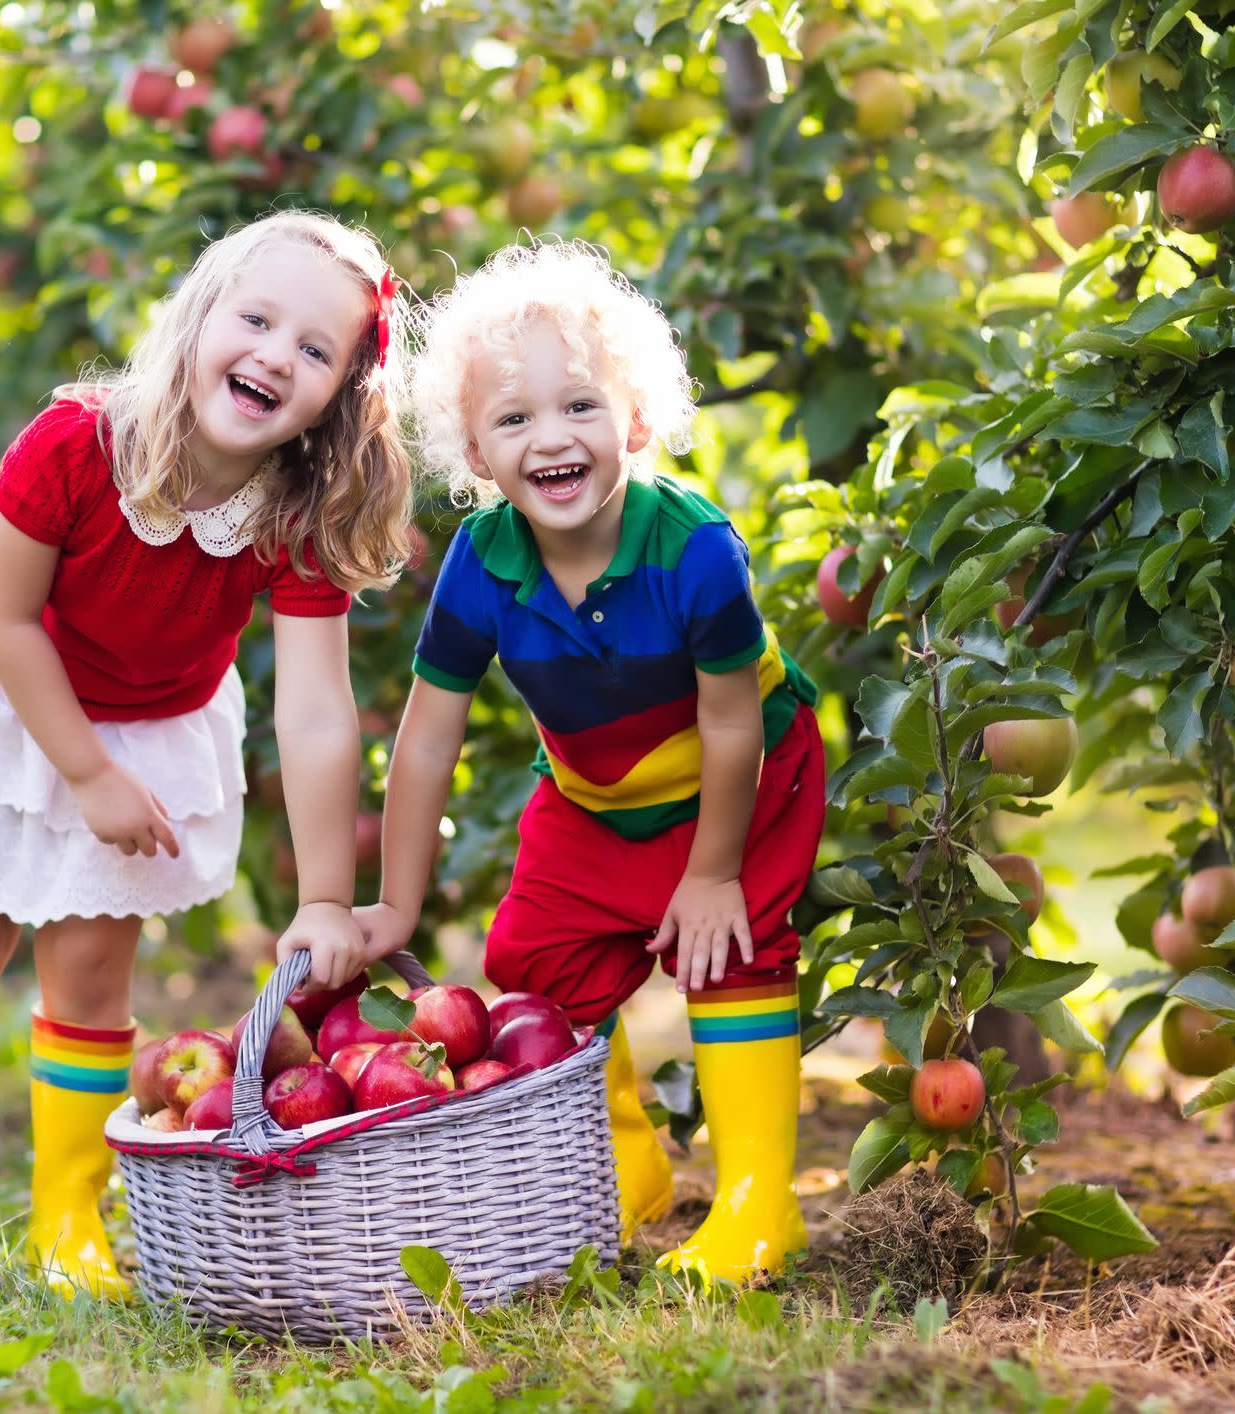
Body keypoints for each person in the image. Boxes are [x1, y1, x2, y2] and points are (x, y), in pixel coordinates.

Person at [0, 211, 412, 1298]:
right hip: (12, 700)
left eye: (315, 350)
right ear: (202, 314)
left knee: (91, 969)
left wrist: (323, 898)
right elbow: (11, 621)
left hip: (155, 722)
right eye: (256, 319)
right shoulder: (76, 444)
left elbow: (314, 711)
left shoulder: (295, 512)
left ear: (343, 394)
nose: (273, 355)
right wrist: (86, 774)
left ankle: (67, 1222)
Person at [354, 241, 825, 1284]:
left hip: (741, 776)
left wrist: (710, 875)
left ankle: (758, 1204)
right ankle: (624, 1162)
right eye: (514, 420)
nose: (550, 438)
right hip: (597, 791)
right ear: (475, 452)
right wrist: (393, 903)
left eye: (579, 407)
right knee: (533, 963)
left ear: (638, 422)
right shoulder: (481, 564)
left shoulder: (692, 547)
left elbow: (734, 722)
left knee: (731, 950)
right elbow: (427, 734)